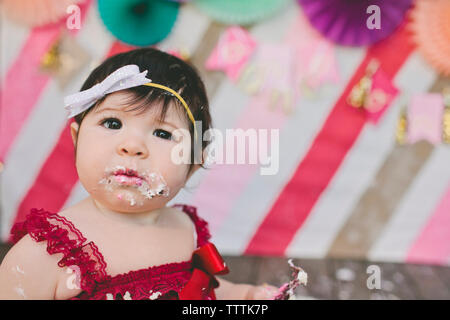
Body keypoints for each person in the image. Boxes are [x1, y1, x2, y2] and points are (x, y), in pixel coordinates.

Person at [0, 48, 279, 300]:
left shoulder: (185, 229)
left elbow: (204, 290)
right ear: (77, 139)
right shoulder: (47, 255)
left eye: (162, 133)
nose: (132, 146)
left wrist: (247, 294)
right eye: (112, 122)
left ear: (193, 164)